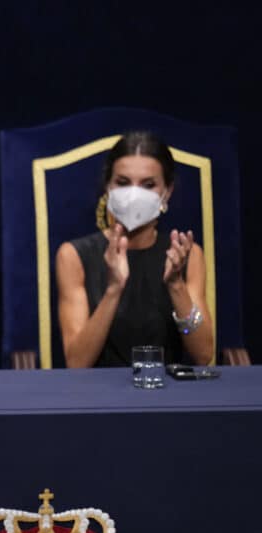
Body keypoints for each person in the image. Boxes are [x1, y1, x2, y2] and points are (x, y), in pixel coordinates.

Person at [56, 131, 214, 368]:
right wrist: (113, 289)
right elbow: (77, 363)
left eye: (148, 185)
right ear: (108, 187)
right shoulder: (73, 256)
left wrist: (176, 285)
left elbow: (203, 354)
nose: (134, 194)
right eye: (123, 183)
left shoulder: (187, 256)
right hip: (98, 389)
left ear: (167, 192)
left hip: (165, 387)